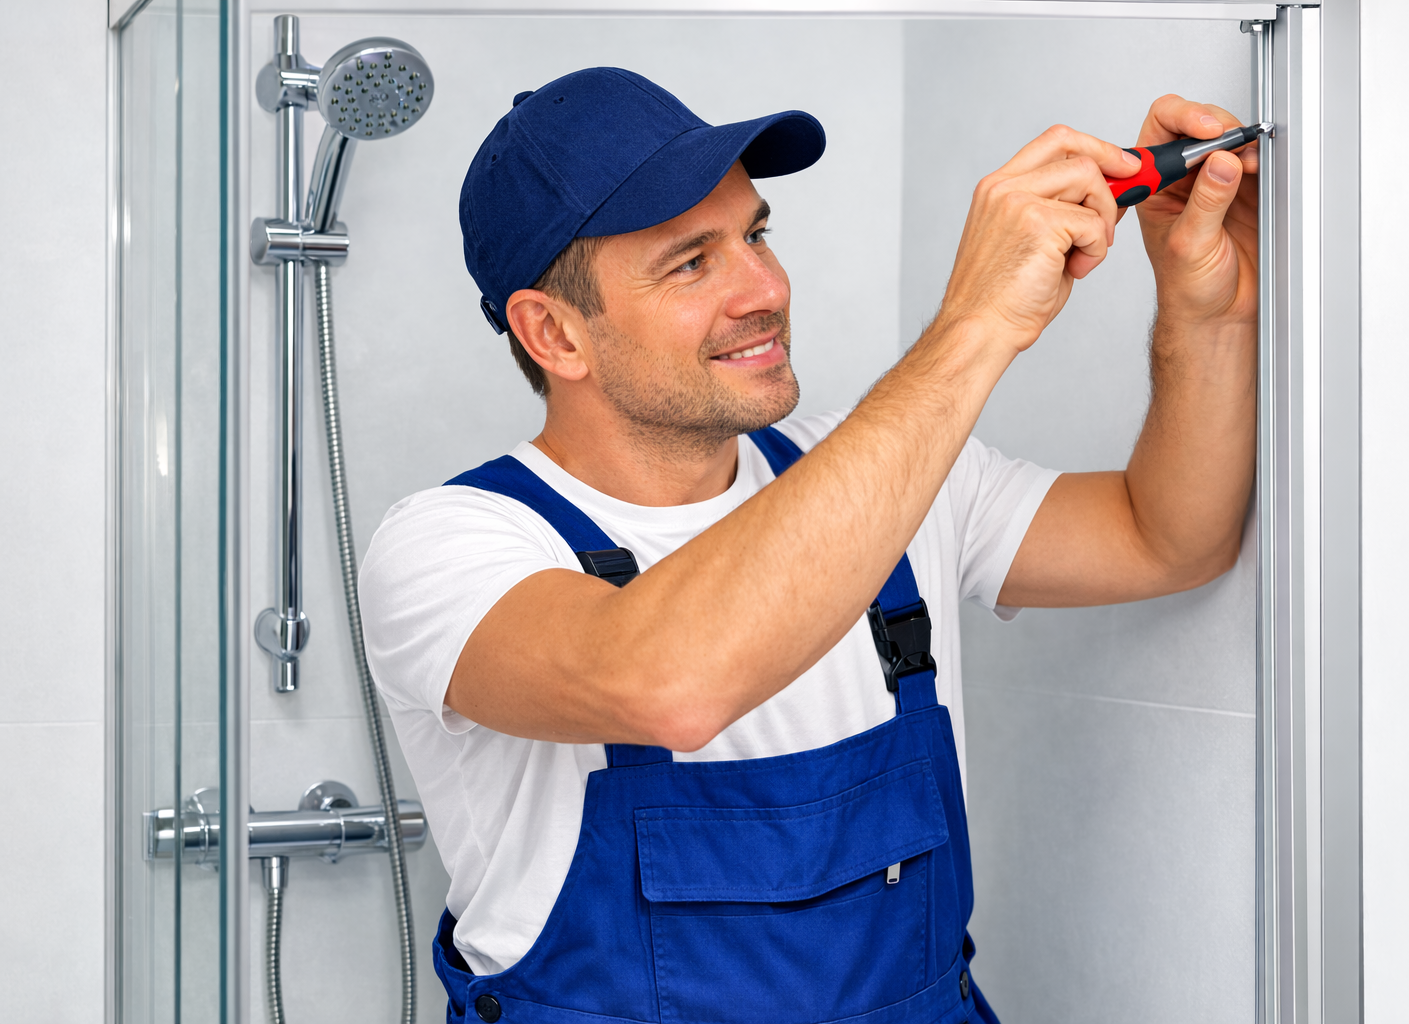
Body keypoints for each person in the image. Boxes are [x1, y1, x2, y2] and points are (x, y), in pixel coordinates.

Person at [359, 66, 1258, 1024]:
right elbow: (667, 683)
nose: (766, 289)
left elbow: (1167, 537)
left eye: (755, 235)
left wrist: (1208, 309)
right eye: (691, 262)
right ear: (556, 334)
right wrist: (976, 323)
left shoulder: (882, 467)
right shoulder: (450, 547)